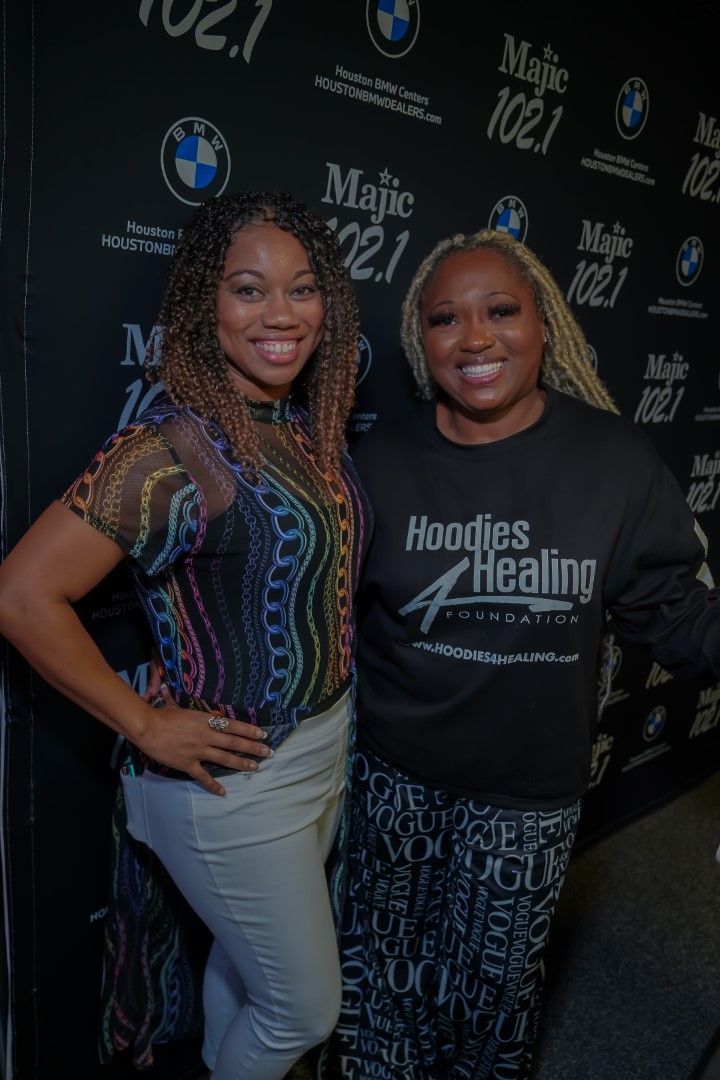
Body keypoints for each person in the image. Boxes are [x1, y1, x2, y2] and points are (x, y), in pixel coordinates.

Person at [319, 228, 720, 1080]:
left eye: (500, 310)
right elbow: (317, 615)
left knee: (492, 1002)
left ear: (545, 323)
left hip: (527, 797)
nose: (474, 338)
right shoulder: (377, 464)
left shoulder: (612, 461)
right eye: (444, 318)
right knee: (382, 987)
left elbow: (671, 610)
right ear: (420, 340)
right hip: (394, 781)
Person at [0, 191, 370, 1080]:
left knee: (249, 977)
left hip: (323, 749)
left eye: (302, 289)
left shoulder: (305, 424)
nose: (281, 314)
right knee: (304, 1009)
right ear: (207, 304)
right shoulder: (167, 451)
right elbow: (21, 596)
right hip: (232, 784)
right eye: (249, 289)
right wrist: (143, 721)